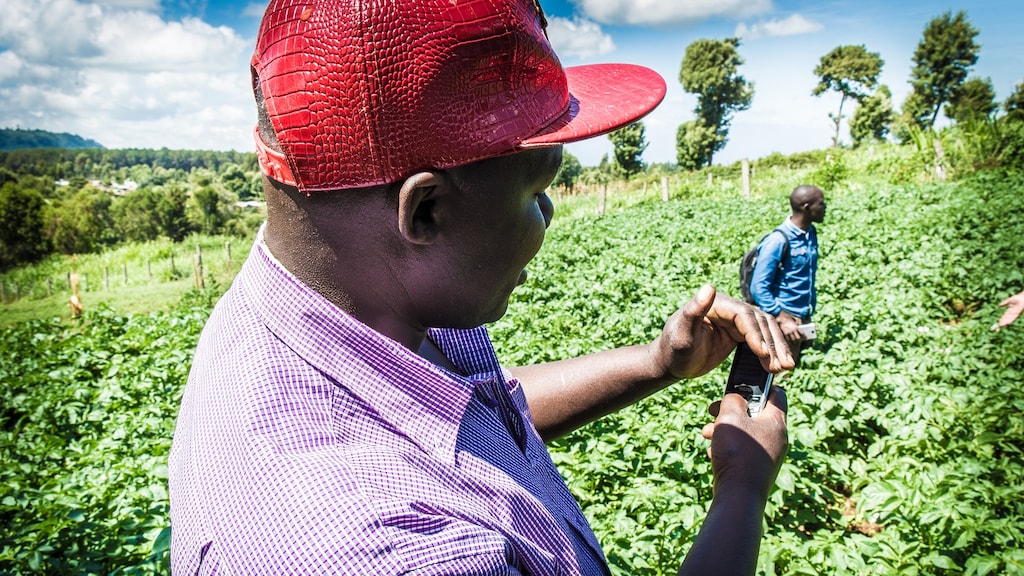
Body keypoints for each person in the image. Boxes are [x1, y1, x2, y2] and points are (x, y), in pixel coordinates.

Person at [168, 0, 792, 574]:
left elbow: (464, 420)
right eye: (535, 190)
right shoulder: (382, 551)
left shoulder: (316, 305)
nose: (549, 216)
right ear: (426, 211)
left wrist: (656, 363)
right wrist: (742, 487)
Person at [750, 184, 826, 365]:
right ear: (806, 207)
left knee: (801, 373)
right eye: (821, 204)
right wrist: (781, 317)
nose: (825, 208)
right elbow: (758, 287)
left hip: (803, 317)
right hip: (783, 322)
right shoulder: (777, 241)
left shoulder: (810, 233)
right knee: (780, 380)